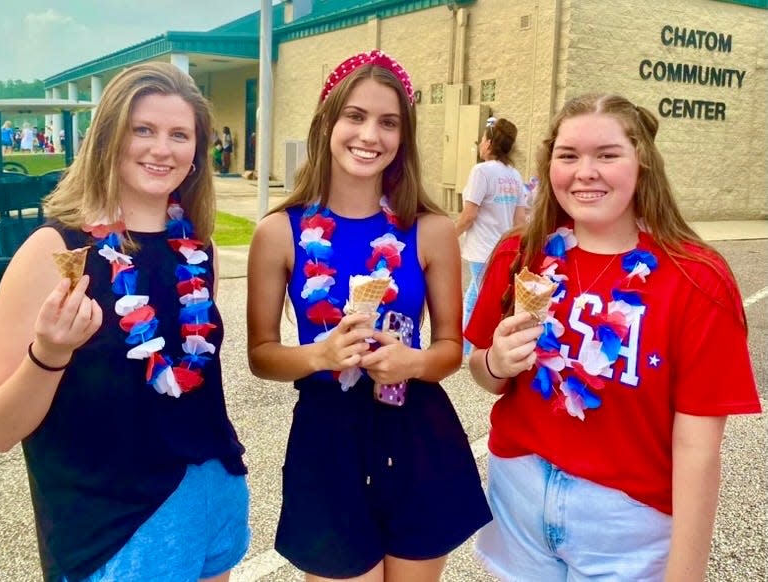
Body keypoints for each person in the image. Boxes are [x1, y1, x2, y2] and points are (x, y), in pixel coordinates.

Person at [464, 93, 761, 581]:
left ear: (642, 162)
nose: (585, 171)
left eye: (607, 154)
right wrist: (496, 361)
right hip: (517, 491)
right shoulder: (520, 254)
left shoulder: (697, 280)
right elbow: (483, 371)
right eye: (568, 155)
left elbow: (698, 448)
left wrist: (687, 573)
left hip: (629, 519)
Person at [0, 62, 250, 582]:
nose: (161, 149)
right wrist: (49, 354)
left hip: (212, 500)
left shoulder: (199, 250)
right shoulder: (53, 251)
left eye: (179, 134)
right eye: (142, 130)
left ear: (197, 151)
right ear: (109, 137)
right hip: (113, 530)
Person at [247, 49, 491, 582]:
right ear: (327, 122)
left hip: (415, 431)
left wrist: (414, 363)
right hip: (327, 437)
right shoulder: (277, 232)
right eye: (354, 116)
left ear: (403, 137)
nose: (369, 135)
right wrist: (320, 354)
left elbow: (452, 347)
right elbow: (262, 355)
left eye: (388, 122)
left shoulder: (431, 229)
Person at [455, 116, 528, 358]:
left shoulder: (481, 171)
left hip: (481, 249)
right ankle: (471, 346)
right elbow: (520, 221)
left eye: (482, 140)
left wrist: (448, 236)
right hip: (502, 250)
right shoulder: (515, 176)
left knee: (477, 300)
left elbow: (469, 214)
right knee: (477, 295)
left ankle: (468, 350)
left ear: (488, 143)